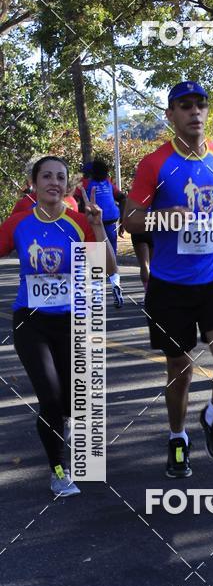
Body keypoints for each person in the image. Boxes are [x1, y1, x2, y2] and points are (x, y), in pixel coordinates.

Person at [123, 81, 213, 478]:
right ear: (171, 115)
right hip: (169, 285)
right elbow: (131, 220)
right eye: (185, 105)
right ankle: (177, 438)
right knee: (179, 371)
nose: (194, 111)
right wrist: (163, 217)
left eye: (200, 104)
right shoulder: (155, 164)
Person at [0, 155, 117, 495]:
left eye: (60, 177)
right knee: (50, 398)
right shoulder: (19, 223)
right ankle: (58, 470)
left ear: (68, 185)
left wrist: (98, 227)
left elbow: (107, 269)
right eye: (47, 176)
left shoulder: (80, 221)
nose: (54, 182)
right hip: (31, 321)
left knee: (72, 402)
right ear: (34, 184)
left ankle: (61, 423)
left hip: (72, 322)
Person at [74, 159, 125, 307]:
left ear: (89, 173)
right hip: (111, 223)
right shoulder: (108, 183)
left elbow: (74, 200)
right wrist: (122, 219)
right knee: (111, 258)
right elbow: (122, 197)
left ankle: (97, 296)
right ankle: (115, 285)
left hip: (93, 224)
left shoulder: (84, 184)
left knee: (95, 260)